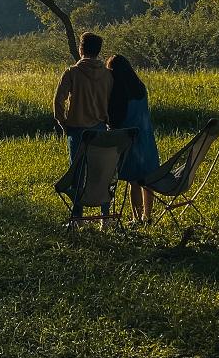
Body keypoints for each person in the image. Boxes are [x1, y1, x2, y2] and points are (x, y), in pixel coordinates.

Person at [54, 31, 114, 220]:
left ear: (81, 49)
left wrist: (63, 122)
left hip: (77, 129)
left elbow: (58, 101)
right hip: (100, 129)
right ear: (98, 51)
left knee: (77, 174)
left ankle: (78, 216)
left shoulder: (72, 72)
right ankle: (105, 215)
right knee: (101, 172)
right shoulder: (108, 75)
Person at [107, 54, 160, 223]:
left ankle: (136, 218)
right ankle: (147, 216)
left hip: (130, 141)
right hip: (147, 139)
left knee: (134, 182)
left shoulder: (118, 93)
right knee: (148, 179)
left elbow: (115, 121)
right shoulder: (140, 88)